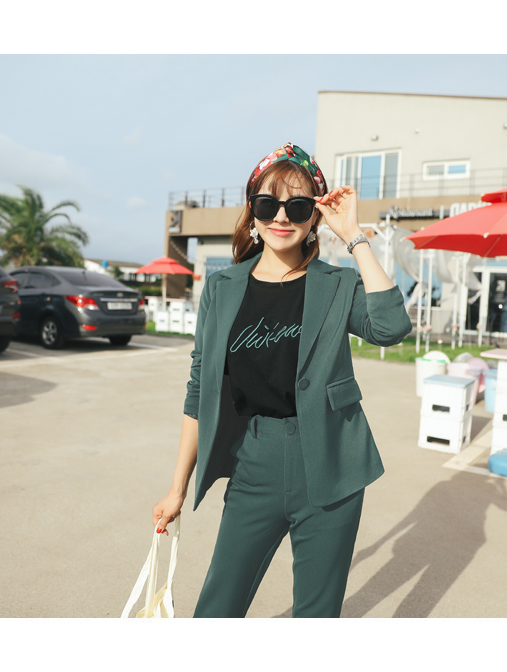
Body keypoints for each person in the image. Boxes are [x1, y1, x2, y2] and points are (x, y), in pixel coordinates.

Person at [152, 142, 412, 618]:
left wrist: (354, 237)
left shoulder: (337, 284)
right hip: (254, 462)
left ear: (314, 217)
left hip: (331, 464)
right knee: (216, 609)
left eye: (298, 207)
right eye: (268, 204)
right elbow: (199, 389)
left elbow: (391, 327)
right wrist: (177, 487)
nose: (281, 217)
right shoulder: (222, 287)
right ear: (252, 211)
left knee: (316, 615)